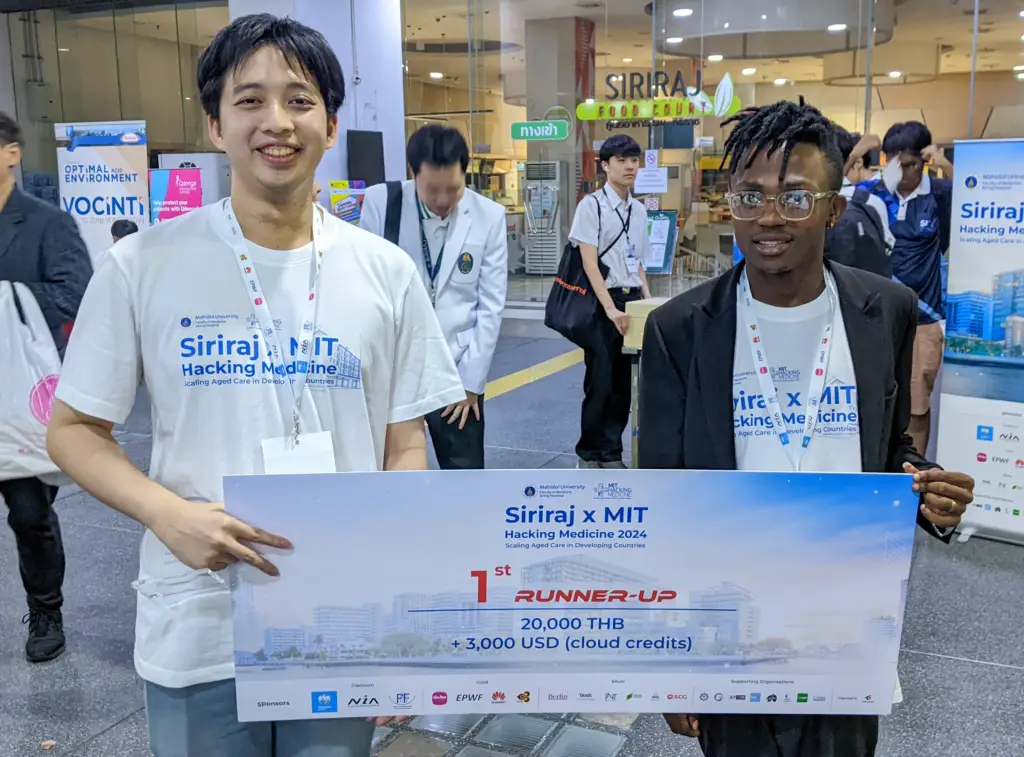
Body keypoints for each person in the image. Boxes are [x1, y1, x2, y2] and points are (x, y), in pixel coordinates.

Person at [46, 14, 465, 757]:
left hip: (336, 617)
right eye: (249, 100)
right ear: (214, 124)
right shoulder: (143, 265)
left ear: (332, 125)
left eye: (300, 100)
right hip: (199, 615)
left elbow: (406, 441)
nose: (277, 121)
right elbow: (73, 428)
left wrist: (388, 568)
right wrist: (168, 515)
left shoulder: (384, 272)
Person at [638, 99, 975, 757]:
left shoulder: (886, 311)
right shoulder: (680, 329)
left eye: (795, 197)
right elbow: (662, 497)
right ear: (727, 203)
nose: (769, 216)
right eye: (751, 195)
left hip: (845, 621)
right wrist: (670, 659)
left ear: (833, 208)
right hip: (729, 623)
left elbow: (888, 449)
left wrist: (924, 489)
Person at [360, 125, 508, 469]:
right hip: (395, 369)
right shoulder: (383, 203)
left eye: (454, 189)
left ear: (466, 174)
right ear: (413, 173)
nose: (443, 201)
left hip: (457, 372)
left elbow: (490, 305)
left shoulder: (489, 217)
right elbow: (365, 288)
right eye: (432, 190)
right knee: (392, 474)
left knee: (464, 473)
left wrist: (472, 382)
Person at [0, 110, 91, 663]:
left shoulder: (44, 223)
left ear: (11, 152)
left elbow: (75, 296)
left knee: (30, 514)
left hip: (22, 396)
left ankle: (45, 611)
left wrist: (7, 300)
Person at [863, 121, 954, 455]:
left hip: (924, 318)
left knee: (917, 405)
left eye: (911, 165)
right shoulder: (875, 193)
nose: (902, 173)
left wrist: (944, 164)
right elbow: (836, 193)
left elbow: (978, 196)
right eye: (894, 164)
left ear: (924, 161)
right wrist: (858, 153)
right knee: (874, 399)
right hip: (877, 317)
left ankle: (915, 474)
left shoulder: (940, 194)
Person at [568, 134, 651, 469]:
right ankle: (590, 453)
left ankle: (611, 452)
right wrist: (610, 308)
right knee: (600, 381)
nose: (630, 166)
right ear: (605, 166)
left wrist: (648, 300)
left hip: (632, 301)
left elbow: (639, 263)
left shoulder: (640, 211)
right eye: (621, 160)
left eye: (634, 159)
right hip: (603, 301)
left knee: (624, 384)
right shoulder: (592, 206)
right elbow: (589, 263)